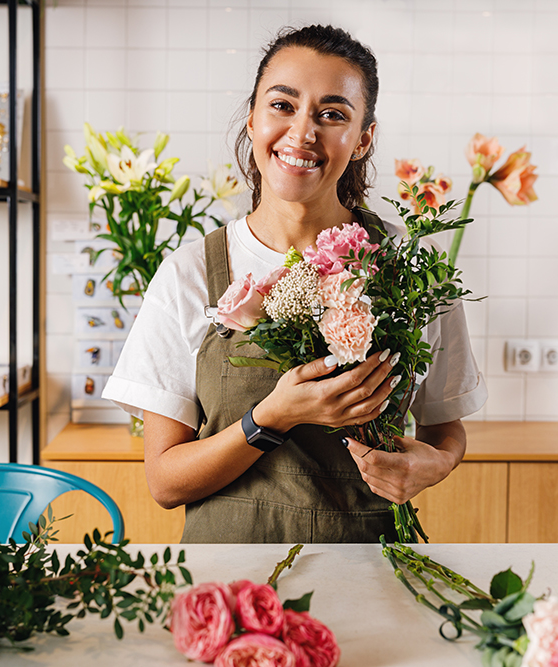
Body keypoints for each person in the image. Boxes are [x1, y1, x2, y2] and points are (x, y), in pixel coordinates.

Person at [103, 24, 487, 543]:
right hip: (230, 584)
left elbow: (445, 428)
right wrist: (271, 418)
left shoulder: (409, 265)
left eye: (332, 114)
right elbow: (165, 482)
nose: (303, 132)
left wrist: (435, 465)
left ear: (363, 138)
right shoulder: (189, 274)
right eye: (282, 105)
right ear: (253, 117)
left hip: (370, 572)